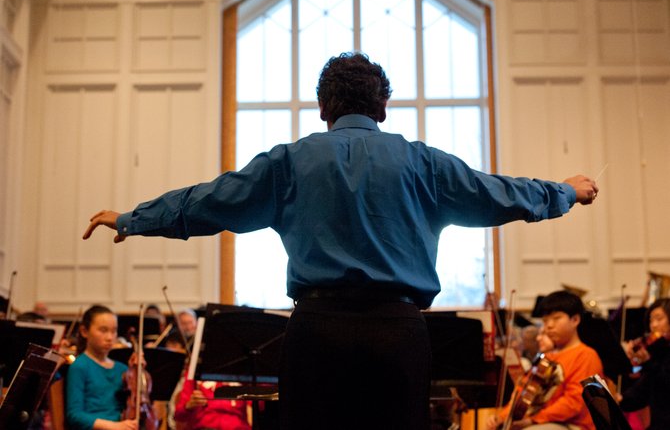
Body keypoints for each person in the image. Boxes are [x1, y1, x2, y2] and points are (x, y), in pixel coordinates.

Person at [82, 52, 599, 430]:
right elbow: (500, 194)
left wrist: (133, 218)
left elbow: (208, 202)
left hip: (316, 333)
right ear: (385, 105)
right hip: (398, 334)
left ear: (322, 107)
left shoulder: (290, 161)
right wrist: (564, 193)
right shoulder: (423, 162)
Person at [486, 290, 604, 430]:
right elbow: (523, 394)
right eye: (545, 320)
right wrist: (502, 417)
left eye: (556, 318)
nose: (549, 325)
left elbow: (573, 403)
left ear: (575, 320)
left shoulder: (586, 355)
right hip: (544, 421)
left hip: (574, 425)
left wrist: (533, 420)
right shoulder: (546, 357)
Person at [66, 304, 138, 430]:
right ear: (84, 331)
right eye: (103, 330)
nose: (110, 337)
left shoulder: (122, 369)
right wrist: (114, 426)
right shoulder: (80, 366)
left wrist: (137, 372)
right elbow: (74, 415)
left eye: (114, 331)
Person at [618, 298, 670, 430]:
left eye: (659, 319)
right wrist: (618, 399)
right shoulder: (658, 352)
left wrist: (647, 363)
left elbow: (665, 386)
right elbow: (641, 394)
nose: (653, 325)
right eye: (651, 320)